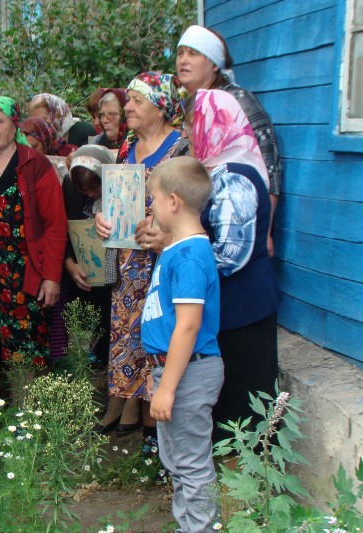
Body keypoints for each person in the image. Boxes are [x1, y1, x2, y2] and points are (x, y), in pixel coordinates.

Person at [95, 72, 189, 450]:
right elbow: (114, 199)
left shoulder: (181, 149)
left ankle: (157, 432)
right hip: (127, 266)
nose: (127, 108)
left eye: (137, 101)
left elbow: (193, 207)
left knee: (159, 338)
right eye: (128, 101)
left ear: (161, 107)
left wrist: (166, 237)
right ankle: (141, 422)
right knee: (129, 339)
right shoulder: (127, 147)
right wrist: (103, 217)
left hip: (162, 263)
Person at [0, 95, 67, 439]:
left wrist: (51, 276)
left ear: (14, 124)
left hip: (24, 271)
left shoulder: (34, 164)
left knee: (23, 347)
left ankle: (23, 420)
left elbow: (55, 225)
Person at [190, 88, 280, 444]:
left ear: (213, 126)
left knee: (243, 406)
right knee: (231, 407)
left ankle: (245, 475)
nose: (187, 135)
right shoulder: (218, 171)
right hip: (230, 309)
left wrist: (178, 256)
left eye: (192, 125)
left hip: (242, 311)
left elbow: (230, 254)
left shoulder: (233, 177)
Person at [142, 156, 224, 533]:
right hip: (175, 370)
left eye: (154, 200)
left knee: (191, 465)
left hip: (189, 372)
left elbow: (188, 327)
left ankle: (201, 528)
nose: (151, 208)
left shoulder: (190, 257)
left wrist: (168, 387)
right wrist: (157, 372)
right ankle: (188, 526)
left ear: (173, 202)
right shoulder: (176, 249)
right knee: (177, 462)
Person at [176, 24, 283, 256]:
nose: (183, 60)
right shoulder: (187, 104)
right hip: (202, 221)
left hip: (237, 226)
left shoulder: (236, 101)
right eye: (180, 53)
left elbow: (269, 164)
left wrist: (265, 229)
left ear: (214, 64)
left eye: (193, 53)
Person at [62, 145, 116, 366]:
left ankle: (105, 363)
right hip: (81, 270)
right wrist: (69, 263)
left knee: (107, 319)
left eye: (95, 189)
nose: (91, 195)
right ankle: (82, 363)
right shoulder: (70, 188)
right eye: (85, 191)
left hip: (110, 276)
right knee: (81, 315)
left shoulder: (117, 187)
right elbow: (63, 226)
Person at [27, 93, 96, 151]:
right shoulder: (36, 139)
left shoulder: (85, 132)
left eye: (43, 119)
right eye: (35, 120)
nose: (39, 124)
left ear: (56, 115)